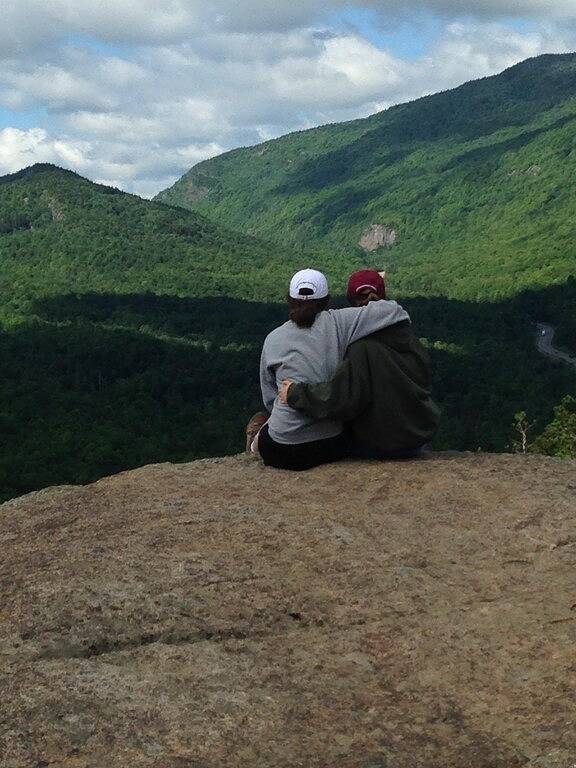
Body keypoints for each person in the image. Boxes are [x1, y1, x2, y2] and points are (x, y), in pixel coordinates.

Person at [250, 268, 410, 470]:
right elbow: (396, 312)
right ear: (327, 300)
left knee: (265, 429)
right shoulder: (340, 323)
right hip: (329, 446)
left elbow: (271, 399)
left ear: (290, 300)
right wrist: (372, 298)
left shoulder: (273, 339)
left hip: (281, 450)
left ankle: (253, 443)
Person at [279, 269, 440, 459]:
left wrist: (295, 393)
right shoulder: (410, 340)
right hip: (418, 438)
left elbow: (341, 399)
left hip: (380, 445)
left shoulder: (361, 347)